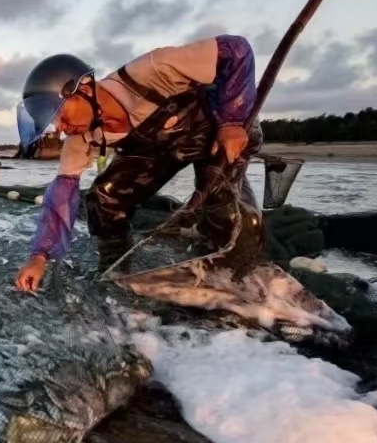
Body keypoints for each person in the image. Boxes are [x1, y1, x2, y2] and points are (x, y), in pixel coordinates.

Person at [14, 35, 264, 293]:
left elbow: (236, 50)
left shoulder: (154, 69)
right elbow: (60, 201)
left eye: (61, 116)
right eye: (56, 125)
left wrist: (232, 121)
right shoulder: (80, 139)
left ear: (84, 89)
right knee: (102, 199)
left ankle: (226, 275)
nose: (63, 129)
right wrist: (39, 257)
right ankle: (115, 269)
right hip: (161, 151)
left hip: (219, 135)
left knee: (233, 218)